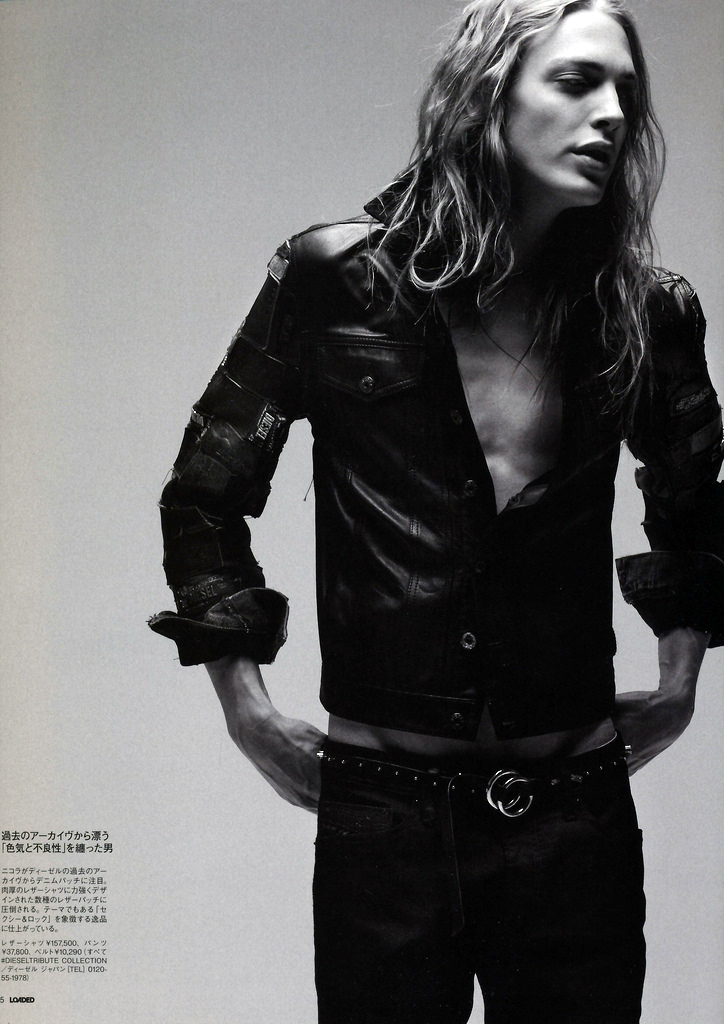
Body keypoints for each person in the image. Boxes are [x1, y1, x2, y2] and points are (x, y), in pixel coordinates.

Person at [149, 0, 723, 1020]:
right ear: (487, 93)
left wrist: (679, 682)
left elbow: (695, 504)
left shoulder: (645, 310)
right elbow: (204, 494)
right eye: (576, 82)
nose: (611, 116)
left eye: (626, 94)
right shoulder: (332, 280)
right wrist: (246, 710)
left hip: (574, 817)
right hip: (386, 822)